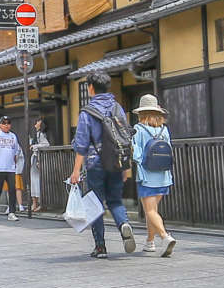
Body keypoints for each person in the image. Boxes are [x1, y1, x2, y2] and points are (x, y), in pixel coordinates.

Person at [69, 72, 137, 259]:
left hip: (95, 163)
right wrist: (126, 167)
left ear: (91, 87)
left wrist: (76, 171)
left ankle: (100, 247)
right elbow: (125, 138)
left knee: (95, 204)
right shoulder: (117, 108)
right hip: (115, 161)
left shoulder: (87, 112)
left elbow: (81, 144)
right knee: (115, 200)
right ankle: (123, 223)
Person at [132, 95, 176, 257]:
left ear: (141, 113)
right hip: (163, 175)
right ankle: (150, 242)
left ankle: (165, 236)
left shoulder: (139, 129)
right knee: (153, 210)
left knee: (149, 210)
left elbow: (136, 154)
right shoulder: (164, 130)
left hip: (147, 175)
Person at [0, 116, 23, 222]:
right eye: (4, 123)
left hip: (10, 168)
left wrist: (15, 162)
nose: (6, 125)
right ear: (0, 125)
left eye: (8, 123)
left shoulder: (13, 136)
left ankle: (12, 212)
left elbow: (16, 150)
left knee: (12, 190)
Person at [29, 118, 51, 213]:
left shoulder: (41, 134)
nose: (36, 124)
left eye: (38, 123)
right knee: (33, 181)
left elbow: (47, 144)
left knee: (38, 181)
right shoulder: (36, 134)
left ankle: (40, 203)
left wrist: (35, 146)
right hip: (34, 158)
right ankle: (34, 203)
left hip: (39, 158)